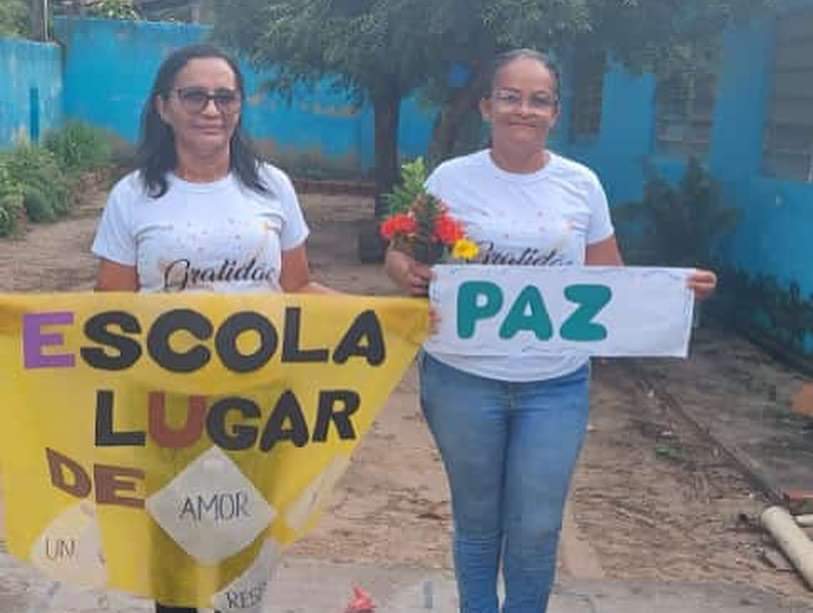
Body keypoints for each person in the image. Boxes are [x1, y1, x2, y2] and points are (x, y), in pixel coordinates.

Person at [385, 48, 717, 613]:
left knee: (537, 525)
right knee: (478, 519)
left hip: (555, 383)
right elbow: (401, 254)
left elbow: (607, 279)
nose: (524, 110)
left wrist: (668, 292)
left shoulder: (580, 185)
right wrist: (408, 272)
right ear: (487, 106)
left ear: (555, 114)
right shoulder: (449, 178)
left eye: (539, 100)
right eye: (510, 97)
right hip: (463, 377)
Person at [91, 44, 331, 613]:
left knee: (243, 548)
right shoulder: (133, 197)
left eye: (225, 96)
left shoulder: (272, 187)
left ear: (240, 107)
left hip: (258, 403)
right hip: (168, 405)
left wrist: (396, 317)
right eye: (194, 95)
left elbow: (297, 289)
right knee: (174, 551)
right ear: (164, 106)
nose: (211, 109)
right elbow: (111, 305)